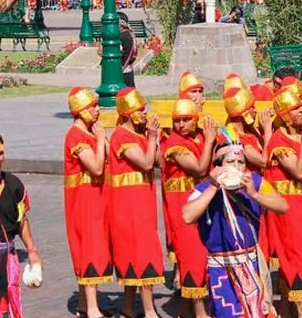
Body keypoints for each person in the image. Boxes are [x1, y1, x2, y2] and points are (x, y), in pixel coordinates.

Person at [182, 132, 289, 318]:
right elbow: (187, 216)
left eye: (241, 162)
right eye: (230, 162)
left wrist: (255, 195)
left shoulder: (255, 182)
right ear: (218, 166)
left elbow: (283, 206)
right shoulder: (206, 188)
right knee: (228, 313)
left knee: (257, 313)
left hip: (251, 263)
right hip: (220, 267)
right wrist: (214, 186)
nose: (237, 167)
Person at [0, 131, 42, 318]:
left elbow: (21, 220)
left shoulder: (13, 184)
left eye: (0, 153)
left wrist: (32, 251)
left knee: (6, 311)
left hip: (6, 261)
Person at [108, 88, 165, 318]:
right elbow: (145, 163)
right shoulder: (120, 136)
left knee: (138, 251)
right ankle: (149, 310)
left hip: (143, 203)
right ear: (128, 113)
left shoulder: (141, 135)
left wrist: (154, 137)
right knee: (139, 252)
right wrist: (152, 138)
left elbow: (159, 161)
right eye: (140, 110)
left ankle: (128, 308)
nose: (145, 113)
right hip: (128, 205)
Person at [161, 94, 217, 317]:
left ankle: (186, 310)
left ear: (196, 119)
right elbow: (200, 169)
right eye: (177, 120)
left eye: (186, 119)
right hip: (183, 209)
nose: (181, 125)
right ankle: (199, 310)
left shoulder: (201, 137)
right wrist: (211, 140)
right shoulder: (174, 143)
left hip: (203, 205)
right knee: (192, 255)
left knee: (204, 254)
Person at [264, 85, 302, 315]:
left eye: (300, 107)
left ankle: (286, 310)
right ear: (285, 116)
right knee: (297, 257)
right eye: (295, 109)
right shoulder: (279, 141)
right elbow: (298, 172)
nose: (301, 112)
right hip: (289, 210)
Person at [63, 87, 112, 318]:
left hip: (96, 198)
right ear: (80, 110)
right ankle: (92, 309)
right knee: (89, 249)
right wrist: (102, 139)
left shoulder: (90, 133)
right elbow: (96, 167)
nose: (97, 109)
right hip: (84, 202)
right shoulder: (75, 136)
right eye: (92, 106)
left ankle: (85, 305)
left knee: (94, 246)